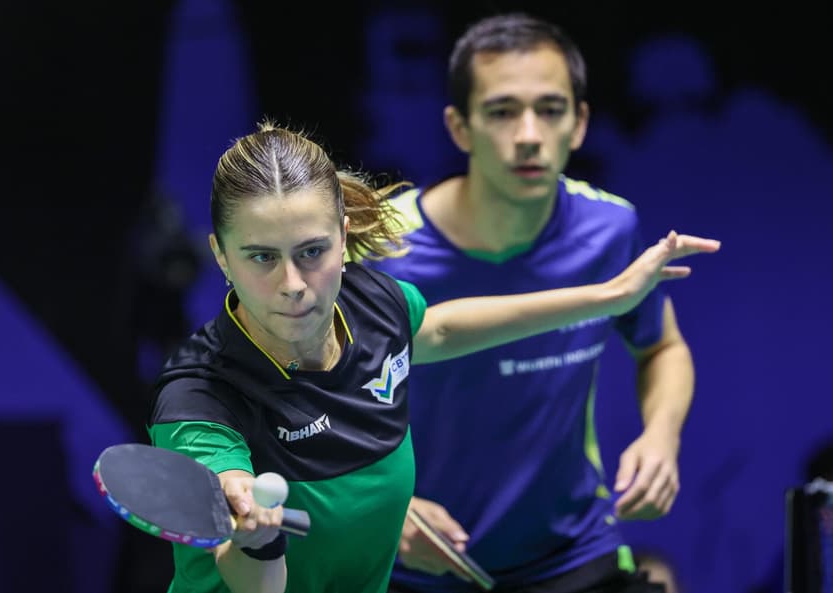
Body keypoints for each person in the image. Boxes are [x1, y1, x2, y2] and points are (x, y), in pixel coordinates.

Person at [145, 120, 719, 593]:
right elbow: (256, 585)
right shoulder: (198, 398)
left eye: (312, 251)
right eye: (261, 257)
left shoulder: (371, 304)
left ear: (344, 238)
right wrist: (255, 534)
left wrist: (612, 295)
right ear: (221, 256)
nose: (292, 283)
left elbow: (439, 329)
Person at [366, 12, 705, 593]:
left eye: (550, 110)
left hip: (571, 552)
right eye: (501, 112)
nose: (528, 134)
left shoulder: (610, 229)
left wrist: (662, 436)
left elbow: (663, 346)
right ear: (459, 127)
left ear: (579, 124)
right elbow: (302, 403)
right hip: (410, 562)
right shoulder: (379, 245)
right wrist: (383, 504)